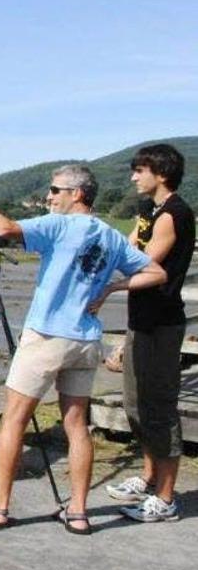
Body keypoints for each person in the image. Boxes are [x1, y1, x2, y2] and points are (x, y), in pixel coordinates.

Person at [0, 165, 165, 534]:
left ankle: (0, 507)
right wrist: (109, 289)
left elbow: (6, 228)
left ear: (77, 194)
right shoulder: (111, 235)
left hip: (46, 336)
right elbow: (156, 273)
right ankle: (77, 511)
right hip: (85, 339)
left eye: (56, 190)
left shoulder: (58, 225)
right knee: (77, 425)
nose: (49, 196)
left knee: (14, 419)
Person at [93, 144, 194, 522]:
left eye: (140, 170)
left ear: (161, 173)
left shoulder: (174, 214)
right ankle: (151, 479)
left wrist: (108, 289)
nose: (134, 176)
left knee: (159, 407)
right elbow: (127, 245)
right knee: (136, 405)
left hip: (162, 324)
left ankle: (166, 499)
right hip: (142, 321)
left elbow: (144, 264)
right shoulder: (148, 211)